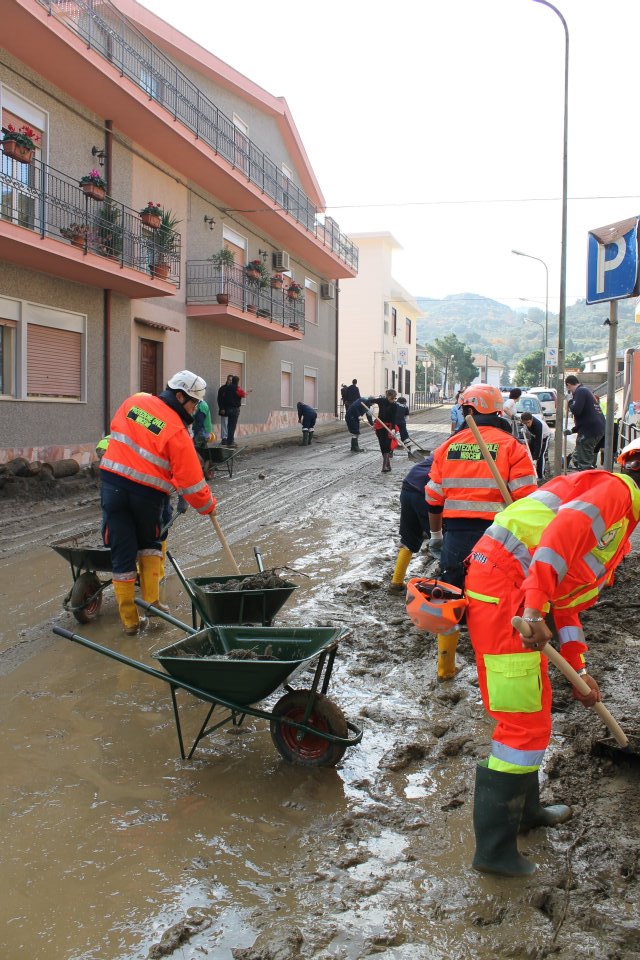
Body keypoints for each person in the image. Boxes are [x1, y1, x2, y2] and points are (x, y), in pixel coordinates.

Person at [464, 441, 640, 877]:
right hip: (506, 595)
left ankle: (526, 812)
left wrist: (579, 669)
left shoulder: (620, 513)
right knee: (522, 723)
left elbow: (566, 599)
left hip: (515, 591)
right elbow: (557, 541)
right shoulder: (617, 493)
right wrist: (532, 611)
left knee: (533, 711)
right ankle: (494, 853)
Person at [425, 384, 537, 680]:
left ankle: (445, 668)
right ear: (498, 411)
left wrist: (436, 537)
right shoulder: (512, 447)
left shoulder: (448, 447)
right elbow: (527, 500)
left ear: (468, 409)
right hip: (499, 539)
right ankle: (496, 668)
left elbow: (433, 497)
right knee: (496, 602)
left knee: (450, 601)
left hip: (456, 536)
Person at [100, 371, 217, 635]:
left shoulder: (134, 402)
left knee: (122, 552)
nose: (196, 408)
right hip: (146, 496)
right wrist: (208, 505)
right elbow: (193, 483)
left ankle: (130, 621)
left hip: (112, 488)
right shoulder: (177, 430)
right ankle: (152, 604)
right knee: (150, 545)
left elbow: (123, 433)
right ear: (180, 397)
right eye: (194, 402)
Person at [389, 455, 434, 592]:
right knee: (444, 539)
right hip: (425, 492)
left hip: (408, 487)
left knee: (409, 538)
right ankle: (448, 583)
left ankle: (396, 582)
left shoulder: (444, 449)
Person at [564, 375, 606, 471]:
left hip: (589, 431)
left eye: (568, 389)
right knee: (577, 457)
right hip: (593, 429)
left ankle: (587, 475)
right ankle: (586, 471)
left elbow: (576, 410)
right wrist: (573, 430)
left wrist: (570, 401)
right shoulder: (585, 391)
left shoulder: (580, 391)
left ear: (568, 385)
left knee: (583, 461)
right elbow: (585, 417)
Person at [363, 390, 400, 473]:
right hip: (380, 426)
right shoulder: (382, 400)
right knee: (382, 445)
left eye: (395, 398)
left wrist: (393, 429)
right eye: (392, 398)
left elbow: (393, 418)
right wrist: (369, 407)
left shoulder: (394, 405)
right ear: (388, 396)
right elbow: (369, 401)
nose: (393, 400)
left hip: (389, 427)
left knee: (387, 445)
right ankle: (388, 465)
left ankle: (384, 467)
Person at [218, 375, 251, 447]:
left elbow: (223, 398)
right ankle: (230, 442)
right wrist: (248, 391)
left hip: (228, 409)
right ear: (237, 381)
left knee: (229, 425)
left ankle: (229, 441)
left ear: (232, 381)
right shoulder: (237, 388)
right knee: (232, 426)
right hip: (234, 410)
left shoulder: (227, 388)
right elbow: (243, 395)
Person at [520, 411, 551, 481]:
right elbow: (523, 424)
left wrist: (535, 458)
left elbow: (539, 443)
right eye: (525, 423)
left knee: (540, 455)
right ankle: (531, 472)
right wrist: (524, 429)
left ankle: (541, 476)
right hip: (534, 436)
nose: (527, 425)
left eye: (528, 422)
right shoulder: (525, 421)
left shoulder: (538, 426)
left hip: (544, 437)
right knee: (530, 452)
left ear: (532, 419)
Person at [217, 375, 233, 442]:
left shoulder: (233, 389)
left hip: (232, 410)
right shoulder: (222, 389)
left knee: (231, 424)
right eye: (229, 380)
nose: (230, 381)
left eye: (231, 380)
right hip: (224, 410)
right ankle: (224, 438)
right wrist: (222, 408)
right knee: (224, 424)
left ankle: (230, 438)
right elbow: (219, 399)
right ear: (227, 380)